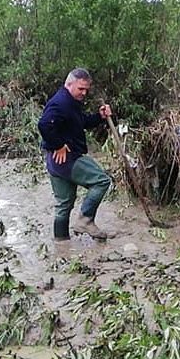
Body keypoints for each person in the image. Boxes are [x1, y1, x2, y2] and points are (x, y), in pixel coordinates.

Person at [38, 68, 113, 241]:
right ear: (69, 84)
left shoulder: (70, 102)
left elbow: (81, 122)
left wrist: (99, 117)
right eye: (81, 88)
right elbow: (44, 125)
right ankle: (86, 220)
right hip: (67, 160)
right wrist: (58, 145)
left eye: (86, 89)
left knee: (64, 204)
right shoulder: (61, 103)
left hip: (54, 163)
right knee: (102, 181)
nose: (84, 93)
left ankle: (61, 244)